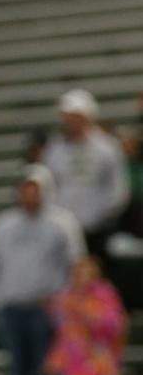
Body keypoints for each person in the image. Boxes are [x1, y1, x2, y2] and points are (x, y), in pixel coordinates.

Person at [0, 170, 76, 375]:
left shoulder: (61, 223)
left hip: (45, 308)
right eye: (26, 188)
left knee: (45, 371)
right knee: (18, 371)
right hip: (12, 308)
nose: (30, 194)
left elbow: (74, 264)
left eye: (35, 188)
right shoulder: (3, 226)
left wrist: (62, 302)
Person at [43, 87, 130, 264]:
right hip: (63, 227)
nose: (71, 122)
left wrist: (100, 214)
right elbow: (49, 183)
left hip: (97, 227)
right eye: (68, 116)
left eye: (76, 116)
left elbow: (118, 187)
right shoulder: (55, 149)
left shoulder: (107, 148)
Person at [43, 253, 129, 375]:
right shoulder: (64, 296)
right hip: (69, 365)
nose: (83, 276)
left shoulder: (106, 295)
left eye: (88, 271)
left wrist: (88, 313)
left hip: (98, 364)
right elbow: (60, 331)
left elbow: (115, 326)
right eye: (79, 271)